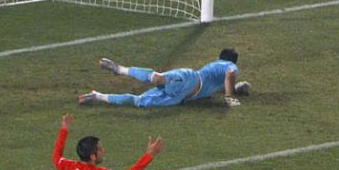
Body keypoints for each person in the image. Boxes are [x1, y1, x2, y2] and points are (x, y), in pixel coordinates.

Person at [78, 48, 251, 108]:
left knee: (139, 102)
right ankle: (119, 69)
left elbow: (222, 85)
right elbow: (230, 74)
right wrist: (229, 97)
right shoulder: (228, 66)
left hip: (179, 97)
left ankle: (98, 96)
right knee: (158, 79)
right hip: (189, 79)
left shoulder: (216, 76)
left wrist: (235, 89)